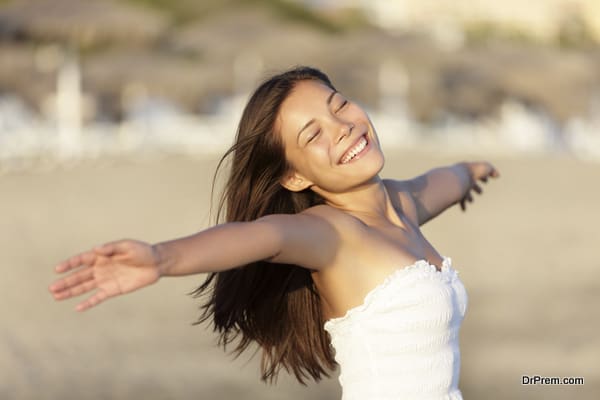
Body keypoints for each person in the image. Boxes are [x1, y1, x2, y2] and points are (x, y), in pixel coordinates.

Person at [49, 66, 499, 399]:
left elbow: (442, 182)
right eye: (313, 134)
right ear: (296, 178)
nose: (342, 128)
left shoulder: (403, 205)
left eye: (338, 104)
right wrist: (162, 258)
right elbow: (261, 236)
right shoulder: (330, 234)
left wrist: (471, 170)